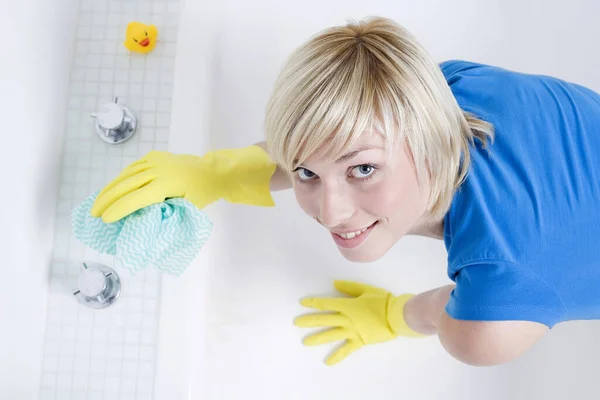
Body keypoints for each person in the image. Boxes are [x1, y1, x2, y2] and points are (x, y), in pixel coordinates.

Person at [90, 16, 600, 367]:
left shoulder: (493, 318)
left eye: (362, 172)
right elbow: (345, 139)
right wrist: (217, 172)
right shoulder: (450, 86)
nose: (329, 213)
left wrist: (392, 315)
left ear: (425, 135)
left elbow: (455, 307)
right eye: (306, 173)